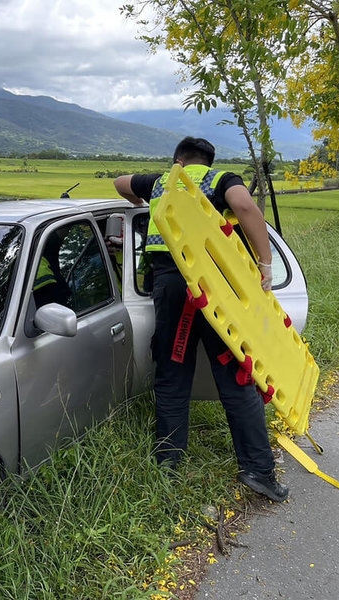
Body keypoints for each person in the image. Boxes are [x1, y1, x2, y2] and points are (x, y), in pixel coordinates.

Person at [113, 137, 288, 502]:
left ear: (176, 159)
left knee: (172, 375)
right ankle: (258, 471)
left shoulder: (162, 181)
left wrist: (143, 202)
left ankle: (169, 465)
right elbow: (244, 206)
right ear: (209, 162)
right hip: (214, 291)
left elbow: (119, 183)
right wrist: (265, 263)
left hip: (172, 289)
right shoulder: (222, 179)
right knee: (236, 377)